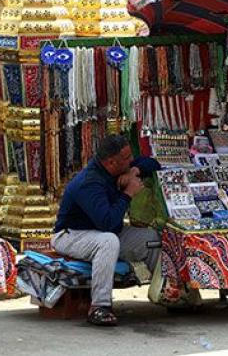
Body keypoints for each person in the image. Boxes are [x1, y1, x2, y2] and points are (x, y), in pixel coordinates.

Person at [52, 134, 161, 327]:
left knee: (151, 239)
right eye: (127, 159)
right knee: (108, 240)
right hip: (72, 235)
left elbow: (152, 163)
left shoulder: (120, 167)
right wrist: (128, 193)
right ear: (111, 162)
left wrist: (135, 169)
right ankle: (99, 307)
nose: (130, 159)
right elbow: (107, 223)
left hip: (105, 231)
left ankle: (165, 292)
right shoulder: (90, 182)